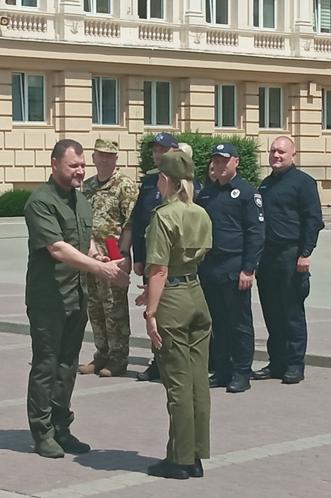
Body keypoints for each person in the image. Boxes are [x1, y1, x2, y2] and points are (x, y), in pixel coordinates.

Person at [24, 139, 130, 458]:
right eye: (73, 166)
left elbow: (83, 243)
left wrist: (102, 257)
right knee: (46, 365)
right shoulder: (40, 202)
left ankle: (61, 426)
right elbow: (58, 248)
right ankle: (42, 432)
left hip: (76, 295)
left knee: (67, 365)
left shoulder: (81, 200)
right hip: (49, 299)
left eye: (83, 165)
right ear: (55, 163)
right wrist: (101, 269)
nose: (80, 171)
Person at [141, 150, 212, 480]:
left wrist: (151, 311)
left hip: (171, 299)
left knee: (178, 385)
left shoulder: (164, 215)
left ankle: (179, 459)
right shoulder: (200, 212)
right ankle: (196, 455)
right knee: (198, 382)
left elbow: (159, 269)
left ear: (166, 180)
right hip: (196, 294)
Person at [252, 136, 324, 385]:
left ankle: (294, 364)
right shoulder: (265, 185)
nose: (276, 155)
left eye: (281, 151)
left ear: (293, 154)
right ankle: (277, 362)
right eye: (272, 151)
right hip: (267, 258)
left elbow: (313, 220)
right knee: (272, 313)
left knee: (291, 313)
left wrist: (305, 253)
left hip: (291, 256)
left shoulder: (303, 183)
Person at [196, 143, 264, 393]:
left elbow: (256, 233)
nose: (220, 165)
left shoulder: (247, 193)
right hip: (210, 269)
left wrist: (249, 269)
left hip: (235, 269)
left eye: (225, 160)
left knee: (239, 323)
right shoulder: (205, 195)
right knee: (218, 323)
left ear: (236, 162)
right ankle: (222, 370)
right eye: (216, 160)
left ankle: (242, 372)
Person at [79, 139, 138, 377]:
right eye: (100, 155)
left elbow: (130, 222)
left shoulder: (124, 185)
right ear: (93, 158)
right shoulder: (88, 186)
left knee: (115, 309)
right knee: (94, 308)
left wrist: (122, 255)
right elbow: (83, 223)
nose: (104, 160)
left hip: (113, 255)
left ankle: (118, 357)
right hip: (91, 257)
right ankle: (101, 352)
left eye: (109, 156)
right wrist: (91, 252)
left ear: (116, 159)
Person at [131, 132, 179, 382]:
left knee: (172, 311)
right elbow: (140, 221)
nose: (158, 154)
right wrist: (138, 257)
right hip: (153, 257)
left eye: (164, 150)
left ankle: (173, 361)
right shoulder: (149, 182)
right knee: (155, 309)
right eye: (156, 150)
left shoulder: (184, 181)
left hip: (176, 261)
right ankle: (158, 360)